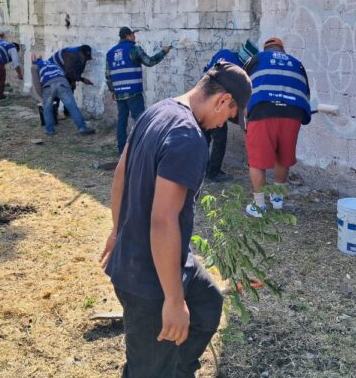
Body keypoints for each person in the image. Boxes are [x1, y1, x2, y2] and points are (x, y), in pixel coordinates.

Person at [101, 61, 252, 378]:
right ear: (223, 100)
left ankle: (177, 369)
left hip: (157, 259)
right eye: (229, 116)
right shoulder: (189, 138)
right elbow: (163, 221)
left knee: (207, 303)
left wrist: (118, 232)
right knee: (148, 370)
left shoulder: (158, 110)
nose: (223, 124)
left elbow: (120, 176)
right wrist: (172, 299)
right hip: (147, 279)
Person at [244, 37, 311, 218]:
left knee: (257, 160)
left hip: (262, 110)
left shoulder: (256, 59)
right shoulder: (297, 63)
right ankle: (278, 201)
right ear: (282, 50)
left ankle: (259, 207)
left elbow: (242, 86)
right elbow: (306, 93)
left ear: (266, 49)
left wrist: (245, 114)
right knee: (283, 156)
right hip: (293, 113)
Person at [106, 27, 173, 154]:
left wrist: (112, 90)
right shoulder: (134, 49)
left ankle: (122, 151)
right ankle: (141, 150)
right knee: (140, 120)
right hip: (133, 92)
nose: (135, 37)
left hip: (120, 92)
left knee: (122, 121)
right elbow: (149, 61)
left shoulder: (110, 53)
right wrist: (163, 52)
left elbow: (108, 75)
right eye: (133, 34)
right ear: (128, 36)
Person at [202, 40, 259, 183]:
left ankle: (201, 168)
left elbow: (206, 70)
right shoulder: (239, 69)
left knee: (204, 136)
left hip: (203, 98)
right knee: (219, 138)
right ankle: (213, 173)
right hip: (216, 104)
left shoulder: (224, 53)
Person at [32, 54, 95, 136]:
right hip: (63, 82)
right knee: (72, 107)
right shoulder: (51, 63)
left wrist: (42, 97)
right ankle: (82, 128)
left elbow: (36, 83)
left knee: (47, 108)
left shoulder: (34, 66)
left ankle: (50, 130)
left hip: (49, 85)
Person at [49, 44, 94, 121]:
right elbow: (69, 72)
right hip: (54, 69)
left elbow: (79, 70)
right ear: (80, 53)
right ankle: (53, 114)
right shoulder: (71, 55)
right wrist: (82, 79)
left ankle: (68, 111)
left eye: (87, 58)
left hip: (64, 70)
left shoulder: (82, 58)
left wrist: (74, 81)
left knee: (70, 88)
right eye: (84, 57)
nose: (85, 60)